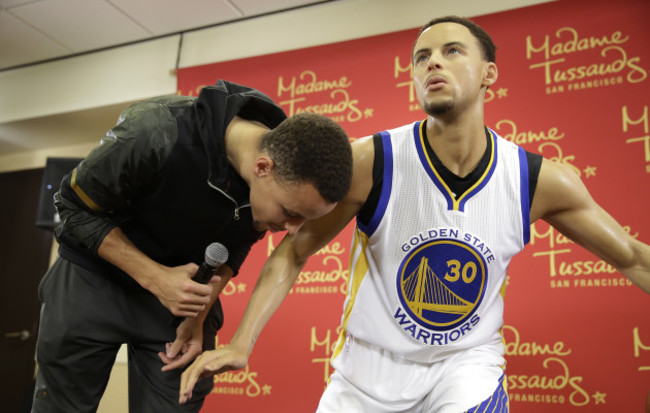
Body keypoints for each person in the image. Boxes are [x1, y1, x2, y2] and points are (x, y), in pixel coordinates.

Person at [179, 17, 650, 412]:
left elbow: (631, 256)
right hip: (366, 373)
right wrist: (241, 342)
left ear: (489, 73)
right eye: (422, 57)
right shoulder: (372, 160)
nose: (433, 63)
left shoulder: (537, 179)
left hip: (464, 367)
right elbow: (293, 251)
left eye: (451, 51)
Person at [31, 79, 353, 413]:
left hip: (177, 304)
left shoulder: (280, 173)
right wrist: (155, 277)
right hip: (93, 278)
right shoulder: (154, 132)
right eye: (289, 213)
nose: (291, 229)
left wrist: (199, 313)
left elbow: (236, 244)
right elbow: (72, 207)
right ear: (262, 168)